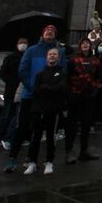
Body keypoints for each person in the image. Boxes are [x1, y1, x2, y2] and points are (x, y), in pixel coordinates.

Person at [6, 24, 68, 173]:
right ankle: (12, 158)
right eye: (47, 30)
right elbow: (23, 70)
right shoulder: (32, 50)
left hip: (48, 99)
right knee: (22, 127)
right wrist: (32, 87)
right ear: (42, 33)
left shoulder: (59, 52)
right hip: (30, 95)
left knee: (42, 130)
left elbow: (63, 72)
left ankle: (33, 159)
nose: (50, 33)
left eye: (53, 31)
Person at [25, 47, 67, 175]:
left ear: (58, 57)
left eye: (55, 54)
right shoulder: (39, 74)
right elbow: (36, 90)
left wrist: (46, 87)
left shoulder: (62, 73)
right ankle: (32, 162)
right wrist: (50, 87)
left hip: (52, 109)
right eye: (50, 54)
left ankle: (49, 162)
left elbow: (61, 89)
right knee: (36, 136)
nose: (52, 56)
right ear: (46, 57)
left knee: (50, 137)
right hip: (39, 109)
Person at [64, 38, 102, 164]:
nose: (85, 45)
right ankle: (69, 151)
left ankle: (84, 151)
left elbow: (98, 77)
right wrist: (69, 92)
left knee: (86, 125)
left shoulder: (95, 61)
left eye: (88, 43)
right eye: (83, 43)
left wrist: (95, 88)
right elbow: (67, 77)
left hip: (88, 96)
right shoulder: (73, 60)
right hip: (74, 95)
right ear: (80, 46)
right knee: (72, 125)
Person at [0, 37, 27, 151]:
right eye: (21, 42)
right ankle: (1, 136)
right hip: (11, 90)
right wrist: (12, 82)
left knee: (18, 115)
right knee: (7, 113)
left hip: (22, 90)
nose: (23, 44)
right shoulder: (10, 58)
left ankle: (15, 137)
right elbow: (2, 73)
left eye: (24, 43)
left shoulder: (27, 57)